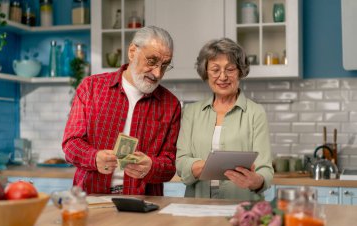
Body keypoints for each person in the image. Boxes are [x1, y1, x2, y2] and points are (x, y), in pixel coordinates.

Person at [62, 26, 181, 195]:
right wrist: (94, 158)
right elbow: (71, 144)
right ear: (132, 52)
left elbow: (170, 164)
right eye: (152, 61)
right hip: (92, 198)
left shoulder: (171, 104)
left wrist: (151, 167)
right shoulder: (91, 88)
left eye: (164, 65)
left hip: (143, 203)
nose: (157, 72)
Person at [176, 38, 273, 201]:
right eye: (215, 69)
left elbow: (265, 170)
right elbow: (181, 163)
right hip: (198, 205)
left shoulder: (255, 113)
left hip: (243, 208)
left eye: (230, 69)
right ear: (205, 72)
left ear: (240, 71)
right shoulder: (191, 112)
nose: (223, 76)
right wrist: (209, 166)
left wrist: (255, 180)